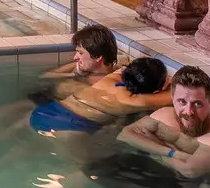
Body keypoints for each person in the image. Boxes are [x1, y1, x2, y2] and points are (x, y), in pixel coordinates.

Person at [115, 64, 210, 179]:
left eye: (197, 104)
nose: (188, 111)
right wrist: (172, 153)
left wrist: (149, 143)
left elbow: (189, 170)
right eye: (182, 102)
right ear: (172, 99)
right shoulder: (165, 115)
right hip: (147, 176)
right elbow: (125, 135)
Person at [27, 53, 172, 133]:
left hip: (46, 111)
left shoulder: (110, 79)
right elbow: (174, 94)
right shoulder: (134, 101)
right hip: (70, 126)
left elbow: (125, 67)